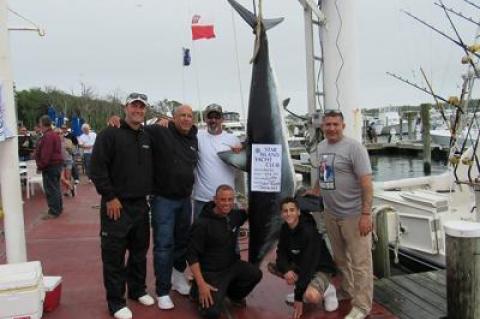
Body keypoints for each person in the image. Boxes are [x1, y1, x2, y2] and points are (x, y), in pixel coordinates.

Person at [90, 93, 155, 319]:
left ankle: (137, 290)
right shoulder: (109, 134)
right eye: (133, 106)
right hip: (115, 205)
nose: (137, 110)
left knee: (139, 253)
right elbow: (97, 169)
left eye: (141, 107)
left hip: (140, 205)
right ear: (125, 108)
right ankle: (116, 302)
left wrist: (167, 121)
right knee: (114, 257)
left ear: (145, 110)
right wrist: (109, 196)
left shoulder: (147, 136)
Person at [307, 110, 373, 319]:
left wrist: (366, 214)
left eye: (336, 124)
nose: (332, 128)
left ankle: (362, 305)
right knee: (340, 259)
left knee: (360, 262)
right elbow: (324, 173)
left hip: (353, 215)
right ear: (322, 127)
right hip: (331, 212)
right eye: (328, 125)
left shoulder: (355, 148)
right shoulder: (321, 147)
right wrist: (315, 191)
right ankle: (347, 289)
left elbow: (367, 185)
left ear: (343, 126)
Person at [187, 184, 262, 319]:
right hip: (211, 273)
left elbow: (251, 210)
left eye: (230, 200)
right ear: (215, 199)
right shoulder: (201, 224)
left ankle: (233, 295)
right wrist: (202, 284)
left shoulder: (234, 215)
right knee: (212, 313)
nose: (226, 203)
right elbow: (192, 256)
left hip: (231, 266)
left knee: (255, 273)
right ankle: (196, 290)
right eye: (222, 200)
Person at [272, 197, 338, 319]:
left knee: (312, 296)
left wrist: (298, 298)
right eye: (285, 211)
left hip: (320, 268)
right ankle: (304, 290)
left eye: (292, 210)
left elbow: (309, 266)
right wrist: (286, 269)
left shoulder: (308, 232)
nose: (288, 213)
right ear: (281, 214)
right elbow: (281, 253)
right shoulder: (285, 229)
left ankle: (328, 290)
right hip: (302, 265)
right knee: (274, 266)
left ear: (298, 212)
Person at [34, 115, 64, 220]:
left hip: (50, 166)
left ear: (42, 123)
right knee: (55, 188)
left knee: (51, 189)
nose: (39, 124)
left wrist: (41, 166)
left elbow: (46, 154)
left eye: (40, 122)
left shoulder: (48, 136)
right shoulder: (54, 135)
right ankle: (58, 208)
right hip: (55, 165)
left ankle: (54, 211)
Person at [55, 128, 75, 197]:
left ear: (63, 134)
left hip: (68, 161)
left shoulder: (68, 141)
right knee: (62, 178)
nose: (59, 135)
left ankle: (68, 191)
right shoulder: (55, 142)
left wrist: (69, 149)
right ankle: (71, 187)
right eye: (57, 133)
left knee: (68, 177)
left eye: (60, 133)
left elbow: (73, 152)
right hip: (60, 162)